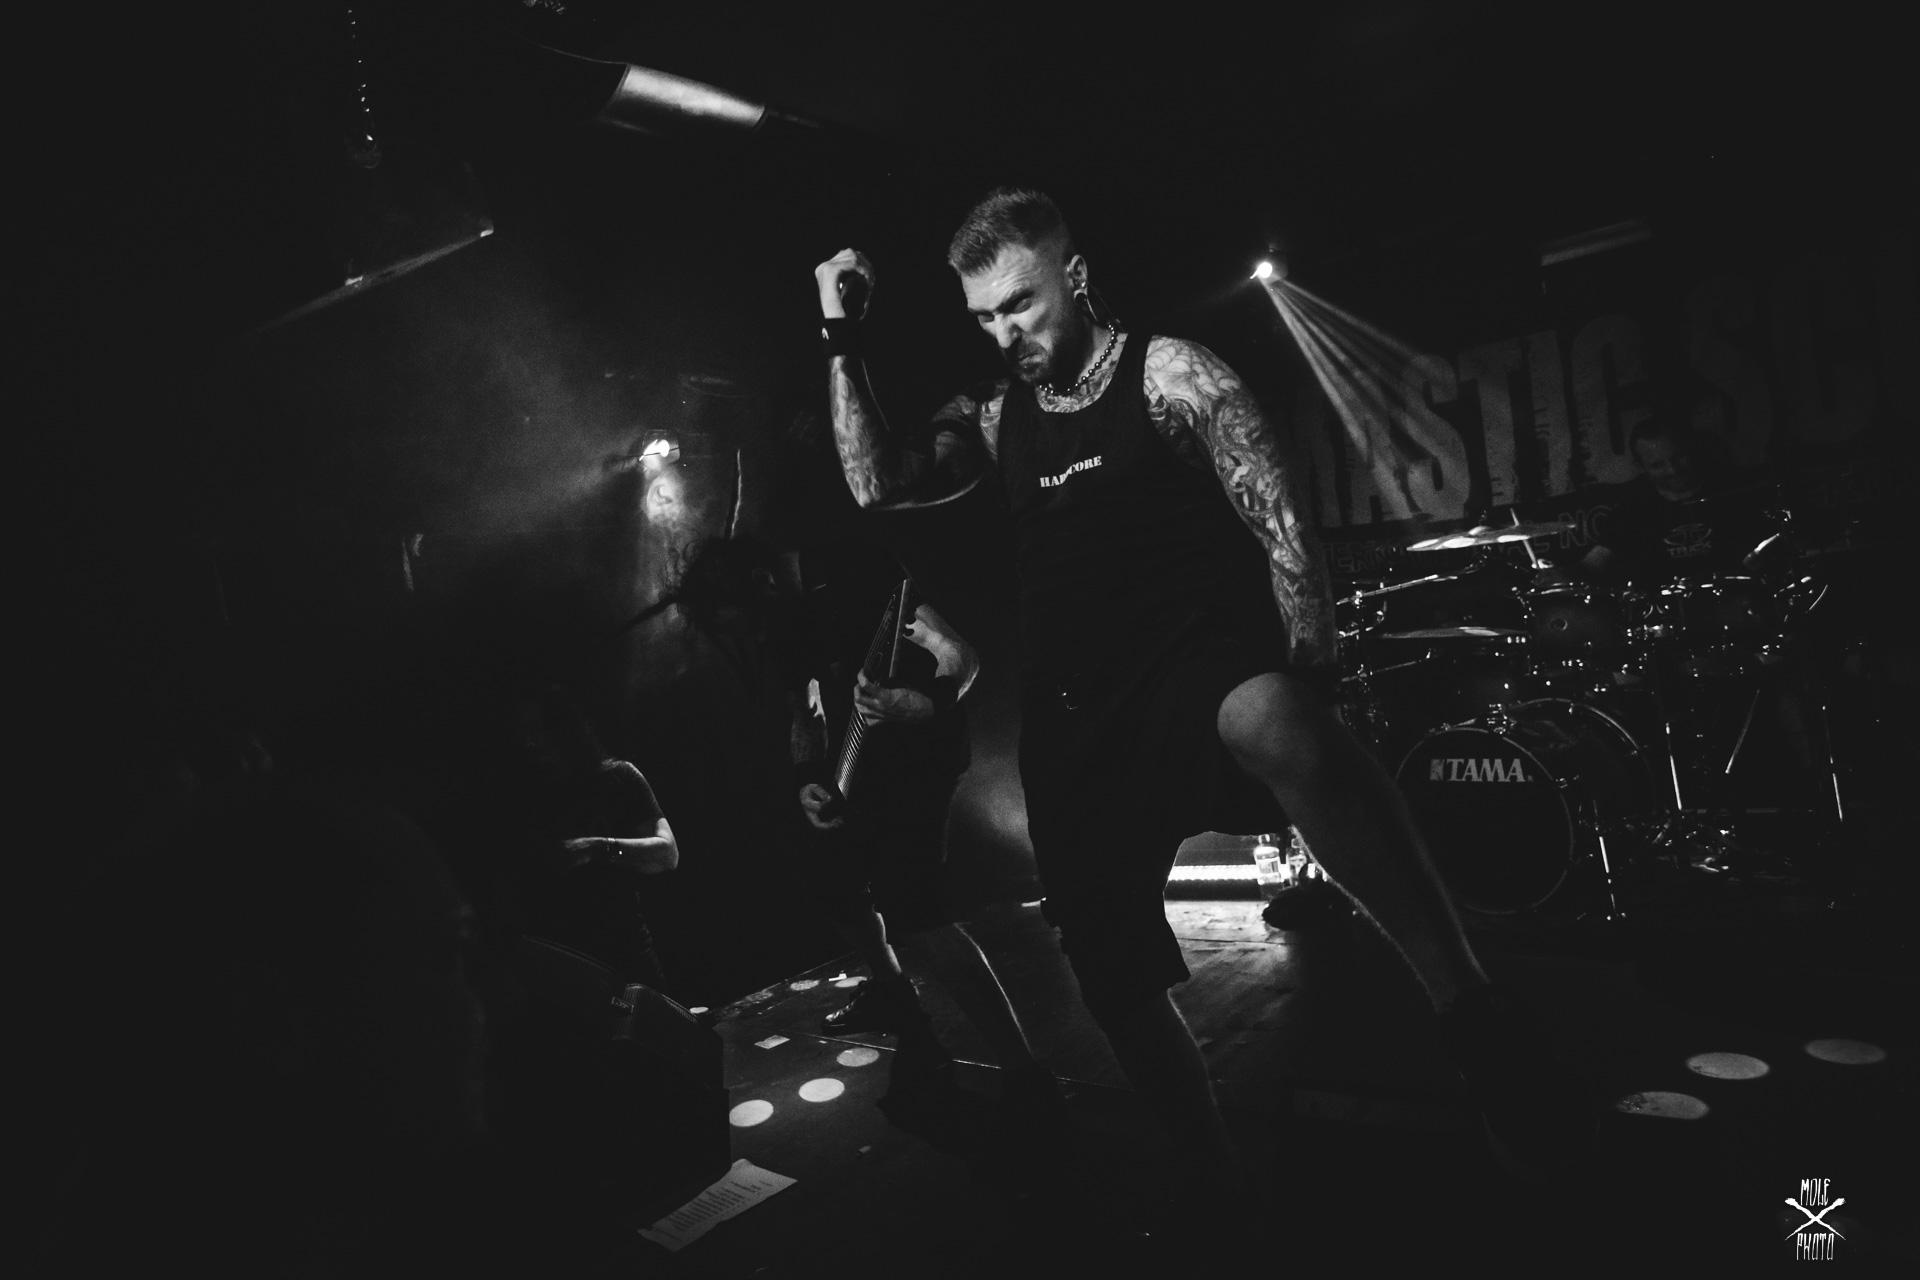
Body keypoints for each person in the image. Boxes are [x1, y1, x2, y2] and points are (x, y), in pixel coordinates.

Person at [811, 188, 1589, 1210]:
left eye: (1021, 304)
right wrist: (840, 334)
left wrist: (1313, 679)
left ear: (1074, 277)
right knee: (1115, 983)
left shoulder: (1171, 374)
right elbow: (878, 484)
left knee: (1276, 715)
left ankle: (1477, 1016)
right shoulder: (995, 417)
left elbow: (1281, 522)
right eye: (986, 316)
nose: (1006, 334)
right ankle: (1215, 1178)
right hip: (1073, 724)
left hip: (1188, 670)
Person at [674, 536, 1061, 1119]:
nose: (756, 637)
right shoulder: (782, 624)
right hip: (862, 766)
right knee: (830, 883)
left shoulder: (855, 571)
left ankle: (1025, 1071)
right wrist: (806, 776)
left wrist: (927, 701)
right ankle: (893, 992)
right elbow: (804, 710)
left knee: (914, 909)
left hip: (923, 758)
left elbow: (960, 656)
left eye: (752, 623)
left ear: (763, 582)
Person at [509, 683, 678, 990]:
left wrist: (597, 848)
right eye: (523, 732)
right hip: (563, 965)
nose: (528, 742)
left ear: (565, 728)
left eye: (538, 729)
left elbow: (667, 854)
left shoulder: (620, 776)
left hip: (629, 953)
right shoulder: (522, 798)